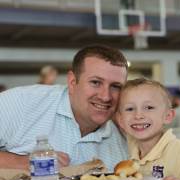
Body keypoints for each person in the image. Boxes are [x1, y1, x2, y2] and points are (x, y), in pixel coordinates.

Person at [0, 45, 128, 171]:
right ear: (72, 82)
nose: (105, 97)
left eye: (116, 86)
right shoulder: (23, 102)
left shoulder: (126, 135)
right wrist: (24, 163)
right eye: (95, 82)